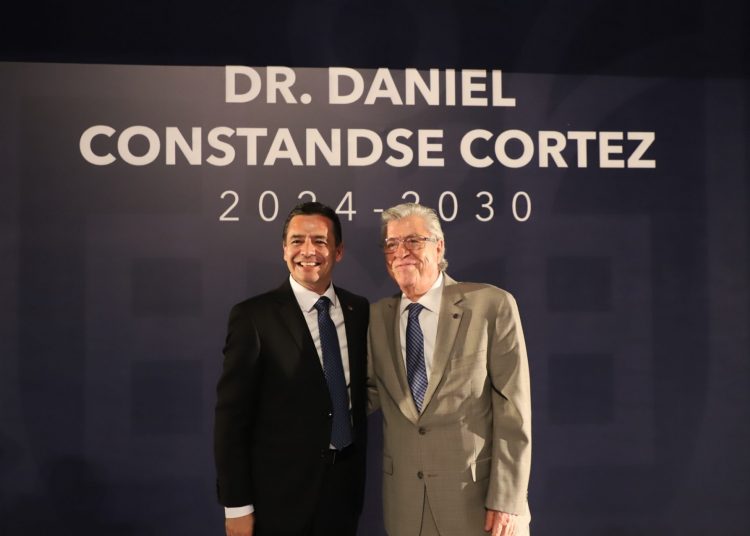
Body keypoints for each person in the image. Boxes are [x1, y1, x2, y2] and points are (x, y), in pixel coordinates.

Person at [367, 203, 532, 536]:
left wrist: (507, 500)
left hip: (480, 505)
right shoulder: (375, 317)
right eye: (392, 244)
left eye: (414, 241)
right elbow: (367, 393)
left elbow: (513, 412)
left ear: (439, 246)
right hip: (405, 507)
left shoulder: (491, 304)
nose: (401, 252)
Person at [214, 202, 369, 536]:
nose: (307, 251)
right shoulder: (253, 317)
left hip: (343, 494)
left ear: (338, 251)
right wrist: (237, 506)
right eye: (297, 241)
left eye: (320, 241)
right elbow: (231, 421)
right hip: (277, 501)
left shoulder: (358, 310)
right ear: (284, 250)